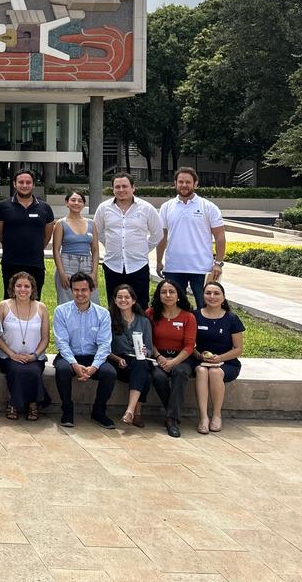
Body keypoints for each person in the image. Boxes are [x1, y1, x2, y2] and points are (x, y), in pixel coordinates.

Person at [53, 272, 117, 429]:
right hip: (69, 356)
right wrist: (74, 364)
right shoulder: (61, 311)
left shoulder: (103, 314)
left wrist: (94, 367)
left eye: (84, 290)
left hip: (93, 357)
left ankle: (99, 411)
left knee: (110, 373)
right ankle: (67, 410)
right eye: (76, 290)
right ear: (71, 290)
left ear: (91, 290)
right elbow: (61, 342)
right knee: (62, 370)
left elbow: (104, 345)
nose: (80, 294)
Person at [157, 167, 227, 306]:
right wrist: (159, 261)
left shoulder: (208, 207)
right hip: (174, 268)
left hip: (202, 269)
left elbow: (220, 235)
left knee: (206, 307)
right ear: (175, 183)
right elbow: (162, 236)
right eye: (180, 182)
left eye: (188, 182)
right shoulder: (166, 207)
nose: (184, 185)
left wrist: (218, 264)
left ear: (195, 184)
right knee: (175, 308)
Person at [94, 174, 163, 309]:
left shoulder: (146, 208)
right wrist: (110, 245)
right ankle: (117, 330)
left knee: (140, 305)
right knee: (115, 306)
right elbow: (98, 232)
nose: (121, 190)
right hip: (113, 265)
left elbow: (157, 234)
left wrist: (143, 249)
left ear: (133, 188)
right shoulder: (103, 208)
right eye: (117, 187)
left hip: (138, 265)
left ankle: (139, 330)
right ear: (113, 189)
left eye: (124, 186)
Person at [0, 271, 50, 421]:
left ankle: (26, 403)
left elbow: (45, 338)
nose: (22, 289)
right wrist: (12, 354)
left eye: (27, 286)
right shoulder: (3, 306)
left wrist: (34, 356)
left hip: (35, 357)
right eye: (18, 286)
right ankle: (28, 403)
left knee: (33, 370)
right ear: (13, 288)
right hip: (8, 356)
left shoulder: (41, 308)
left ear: (33, 289)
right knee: (17, 369)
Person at [192, 280, 244, 434]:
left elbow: (238, 349)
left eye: (216, 293)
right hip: (201, 361)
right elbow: (190, 345)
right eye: (208, 293)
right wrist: (200, 355)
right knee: (202, 371)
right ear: (203, 296)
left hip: (227, 362)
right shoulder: (194, 316)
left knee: (215, 372)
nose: (212, 296)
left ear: (223, 298)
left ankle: (216, 415)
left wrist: (220, 358)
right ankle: (203, 417)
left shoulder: (232, 319)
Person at [0, 169, 55, 297]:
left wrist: (35, 247)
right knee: (10, 300)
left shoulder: (45, 208)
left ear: (33, 184)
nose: (25, 185)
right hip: (11, 263)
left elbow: (47, 235)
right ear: (15, 184)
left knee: (34, 301)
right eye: (21, 182)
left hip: (35, 263)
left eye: (28, 182)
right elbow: (0, 233)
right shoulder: (2, 207)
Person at [147, 278, 196, 438]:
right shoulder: (151, 314)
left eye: (171, 292)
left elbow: (189, 346)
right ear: (159, 295)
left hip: (181, 357)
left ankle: (171, 419)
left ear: (178, 295)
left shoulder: (188, 317)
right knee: (158, 377)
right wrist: (159, 357)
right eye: (163, 292)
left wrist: (173, 362)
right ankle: (173, 413)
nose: (168, 295)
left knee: (180, 373)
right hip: (158, 355)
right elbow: (149, 340)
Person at [106, 283, 154, 427]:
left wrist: (145, 351)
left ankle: (130, 411)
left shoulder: (144, 321)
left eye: (127, 297)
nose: (123, 300)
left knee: (142, 365)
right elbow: (104, 347)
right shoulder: (108, 319)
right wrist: (117, 358)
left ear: (133, 300)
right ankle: (136, 412)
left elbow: (150, 348)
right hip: (118, 360)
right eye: (119, 297)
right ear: (114, 300)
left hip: (138, 359)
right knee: (145, 374)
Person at [52, 190, 99, 307]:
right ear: (67, 203)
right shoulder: (60, 223)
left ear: (84, 204)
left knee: (92, 301)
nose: (76, 203)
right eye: (73, 200)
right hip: (67, 263)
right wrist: (62, 273)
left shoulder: (91, 224)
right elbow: (56, 250)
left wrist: (94, 272)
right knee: (66, 302)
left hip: (87, 264)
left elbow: (95, 250)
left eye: (80, 201)